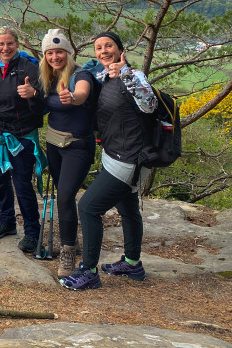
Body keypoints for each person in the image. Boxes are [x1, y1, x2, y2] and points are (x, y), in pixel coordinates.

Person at [60, 30, 157, 291]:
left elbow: (149, 105)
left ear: (120, 49)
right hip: (118, 155)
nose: (103, 51)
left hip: (128, 159)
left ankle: (89, 270)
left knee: (89, 208)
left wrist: (125, 71)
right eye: (99, 47)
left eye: (109, 46)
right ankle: (132, 263)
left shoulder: (132, 75)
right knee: (127, 209)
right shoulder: (106, 77)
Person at [0, 26, 45, 253]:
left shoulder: (29, 68)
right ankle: (7, 222)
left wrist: (32, 96)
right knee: (0, 180)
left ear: (17, 45)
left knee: (23, 184)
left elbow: (41, 109)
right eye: (1, 44)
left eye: (10, 44)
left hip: (21, 137)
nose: (5, 48)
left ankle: (33, 233)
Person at [38, 29, 96, 277]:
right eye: (49, 52)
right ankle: (71, 239)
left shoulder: (80, 74)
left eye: (59, 51)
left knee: (64, 196)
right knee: (63, 196)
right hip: (54, 144)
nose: (54, 56)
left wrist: (72, 97)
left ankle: (68, 250)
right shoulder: (47, 78)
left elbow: (82, 94)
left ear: (68, 53)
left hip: (77, 146)